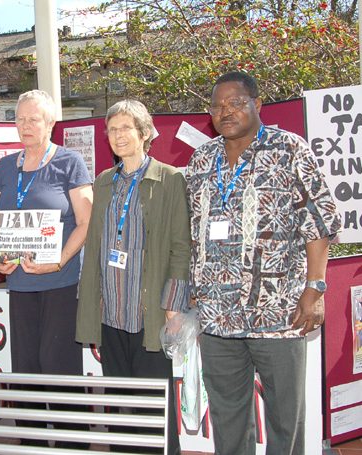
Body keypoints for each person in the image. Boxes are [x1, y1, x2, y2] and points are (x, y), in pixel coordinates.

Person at [185, 71, 342, 455]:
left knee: (284, 418)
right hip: (217, 315)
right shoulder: (201, 160)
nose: (226, 111)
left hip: (279, 311)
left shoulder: (289, 150)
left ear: (258, 105)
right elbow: (189, 231)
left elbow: (319, 223)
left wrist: (316, 288)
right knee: (226, 415)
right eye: (218, 106)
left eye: (236, 102)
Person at [76, 99, 191, 455]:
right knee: (119, 401)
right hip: (111, 312)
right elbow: (95, 247)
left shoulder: (169, 179)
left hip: (150, 313)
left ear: (144, 134)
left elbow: (181, 247)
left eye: (125, 128)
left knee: (154, 404)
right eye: (111, 129)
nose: (117, 136)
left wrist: (172, 307)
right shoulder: (104, 181)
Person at [0, 89, 93, 448]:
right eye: (19, 119)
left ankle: (73, 444)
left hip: (60, 283)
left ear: (51, 123)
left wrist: (59, 260)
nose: (25, 125)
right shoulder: (5, 166)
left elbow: (86, 221)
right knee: (26, 370)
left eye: (33, 119)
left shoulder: (69, 162)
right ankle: (32, 443)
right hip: (20, 285)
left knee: (59, 365)